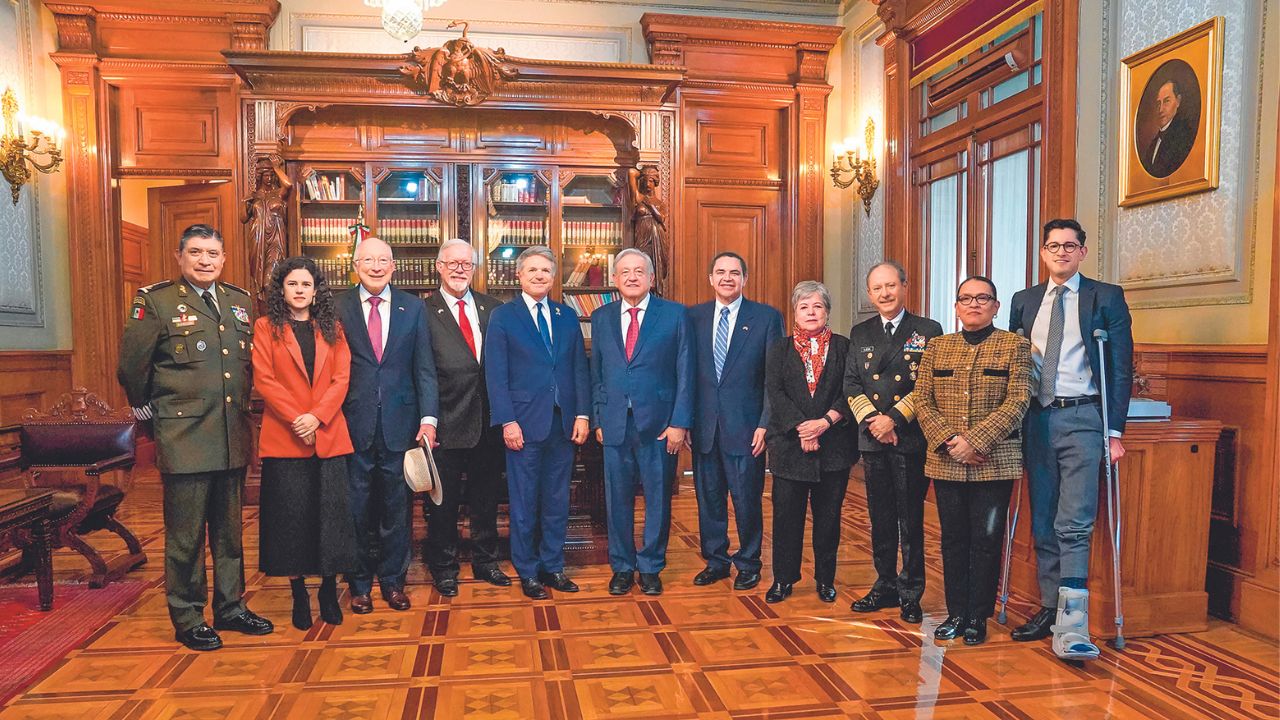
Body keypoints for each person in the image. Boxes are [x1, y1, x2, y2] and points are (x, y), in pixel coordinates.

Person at [117, 223, 274, 651]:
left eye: (212, 253)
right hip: (184, 435)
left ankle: (230, 607)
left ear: (223, 259)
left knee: (229, 532)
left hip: (231, 434)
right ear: (179, 256)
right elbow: (133, 366)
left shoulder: (239, 302)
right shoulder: (158, 301)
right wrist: (147, 409)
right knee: (185, 535)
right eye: (196, 252)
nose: (205, 260)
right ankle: (187, 615)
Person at [1008, 218, 1133, 660]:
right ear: (1042, 253)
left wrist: (1114, 432)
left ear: (1082, 252)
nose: (1060, 253)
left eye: (1069, 246)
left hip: (1083, 417)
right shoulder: (1024, 302)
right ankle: (1048, 608)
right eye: (1052, 246)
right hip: (1037, 420)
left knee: (1074, 522)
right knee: (1042, 519)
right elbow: (1015, 365)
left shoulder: (1106, 297)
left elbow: (1120, 366)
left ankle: (1073, 624)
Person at [915, 276, 1032, 646]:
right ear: (956, 307)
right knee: (952, 539)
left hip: (993, 460)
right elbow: (922, 400)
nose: (974, 304)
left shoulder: (1015, 346)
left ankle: (977, 616)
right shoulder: (938, 347)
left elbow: (1018, 400)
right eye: (966, 298)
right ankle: (955, 612)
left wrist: (976, 441)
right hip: (946, 458)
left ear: (996, 306)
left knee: (985, 539)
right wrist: (951, 440)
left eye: (983, 298)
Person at [251, 257, 357, 630]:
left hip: (328, 435)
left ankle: (328, 589)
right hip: (286, 438)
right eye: (292, 283)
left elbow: (341, 379)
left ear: (316, 291)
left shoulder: (332, 328)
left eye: (306, 284)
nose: (299, 290)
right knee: (291, 521)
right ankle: (298, 592)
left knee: (330, 519)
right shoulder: (267, 328)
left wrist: (317, 417)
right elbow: (264, 380)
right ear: (281, 289)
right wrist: (299, 419)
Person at [335, 236, 440, 614]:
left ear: (394, 266)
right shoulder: (337, 306)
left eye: (383, 260)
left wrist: (429, 420)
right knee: (357, 510)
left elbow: (424, 368)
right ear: (356, 264)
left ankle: (394, 583)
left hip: (403, 425)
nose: (376, 266)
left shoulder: (414, 308)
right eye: (369, 260)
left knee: (397, 512)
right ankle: (360, 584)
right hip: (351, 425)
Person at [486, 246, 591, 600]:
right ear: (519, 275)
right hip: (523, 425)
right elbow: (496, 375)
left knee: (558, 501)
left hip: (562, 424)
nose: (539, 275)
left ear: (554, 276)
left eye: (545, 270)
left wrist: (582, 414)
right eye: (532, 270)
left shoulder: (566, 315)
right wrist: (507, 421)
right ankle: (528, 571)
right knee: (525, 502)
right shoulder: (503, 317)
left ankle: (553, 566)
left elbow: (579, 367)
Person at [844, 261, 943, 624]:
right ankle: (884, 583)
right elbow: (852, 383)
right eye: (877, 288)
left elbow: (928, 385)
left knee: (911, 519)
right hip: (873, 440)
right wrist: (875, 423)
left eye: (891, 286)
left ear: (905, 286)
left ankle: (911, 591)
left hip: (909, 438)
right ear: (870, 294)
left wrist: (894, 419)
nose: (885, 293)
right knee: (880, 518)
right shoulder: (860, 332)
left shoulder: (928, 330)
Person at [590, 248, 693, 597]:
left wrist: (680, 422)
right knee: (616, 499)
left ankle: (650, 566)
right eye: (625, 272)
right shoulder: (602, 317)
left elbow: (685, 371)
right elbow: (597, 373)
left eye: (639, 271)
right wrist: (598, 418)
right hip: (615, 423)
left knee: (658, 499)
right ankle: (621, 566)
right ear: (615, 280)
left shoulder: (675, 315)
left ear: (651, 278)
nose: (632, 277)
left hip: (660, 425)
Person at [688, 252, 782, 591]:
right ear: (710, 278)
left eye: (734, 273)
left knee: (746, 500)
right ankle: (716, 561)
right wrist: (685, 421)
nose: (727, 278)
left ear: (745, 279)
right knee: (708, 499)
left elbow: (774, 377)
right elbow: (686, 374)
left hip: (747, 427)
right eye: (720, 272)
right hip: (704, 428)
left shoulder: (766, 318)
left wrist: (765, 424)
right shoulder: (693, 317)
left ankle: (749, 561)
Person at [423, 239, 510, 596]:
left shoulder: (494, 309)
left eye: (466, 264)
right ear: (439, 267)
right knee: (441, 503)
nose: (460, 269)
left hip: (487, 421)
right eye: (452, 263)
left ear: (474, 269)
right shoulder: (422, 311)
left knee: (485, 498)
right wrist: (427, 420)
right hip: (444, 421)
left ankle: (486, 561)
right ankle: (444, 567)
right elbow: (422, 370)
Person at [763, 281, 856, 604]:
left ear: (827, 311)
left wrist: (824, 423)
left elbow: (851, 391)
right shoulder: (779, 348)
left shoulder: (846, 347)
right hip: (789, 447)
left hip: (835, 448)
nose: (811, 312)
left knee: (828, 519)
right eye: (804, 307)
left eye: (817, 306)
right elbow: (775, 392)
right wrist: (803, 428)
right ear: (795, 313)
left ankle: (825, 579)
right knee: (786, 518)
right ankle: (783, 580)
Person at [1143, 79, 1196, 178]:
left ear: (1178, 101)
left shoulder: (1184, 136)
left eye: (1167, 101)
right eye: (1159, 103)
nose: (1161, 109)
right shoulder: (1153, 144)